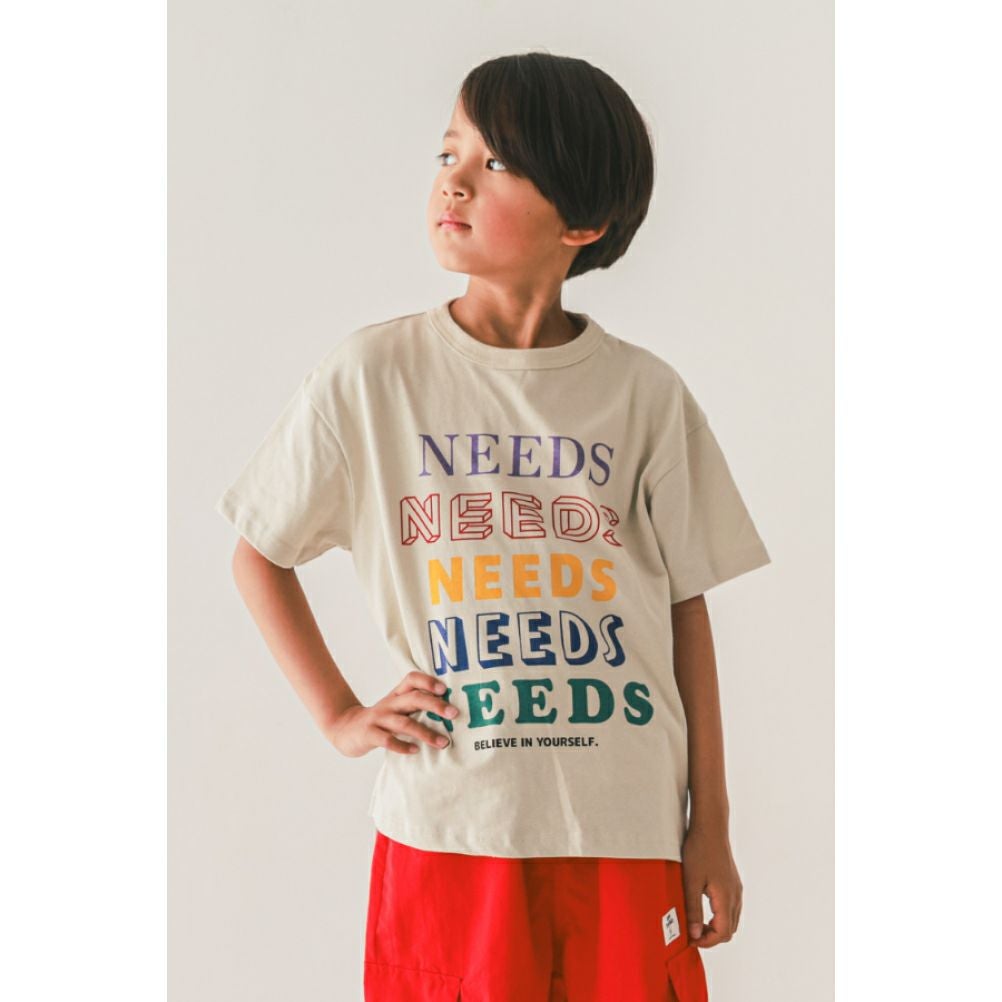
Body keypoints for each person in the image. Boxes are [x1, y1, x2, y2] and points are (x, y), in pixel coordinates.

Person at [216, 51, 771, 1002]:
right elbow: (260, 552)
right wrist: (341, 716)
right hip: (451, 824)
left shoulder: (644, 396)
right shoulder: (374, 377)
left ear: (582, 222)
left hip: (624, 828)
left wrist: (708, 823)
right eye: (449, 152)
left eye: (498, 162)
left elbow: (685, 609)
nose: (455, 181)